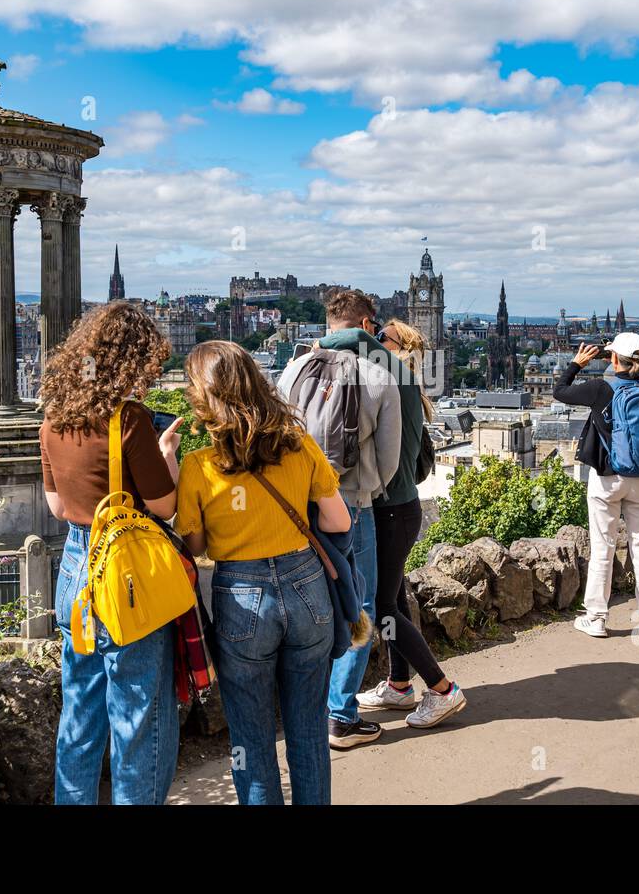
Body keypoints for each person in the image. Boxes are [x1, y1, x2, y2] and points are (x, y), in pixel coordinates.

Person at [174, 340, 351, 804]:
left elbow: (193, 547)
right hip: (307, 587)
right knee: (309, 730)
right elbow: (339, 522)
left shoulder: (198, 466)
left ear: (203, 399)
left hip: (241, 596)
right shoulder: (299, 445)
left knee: (251, 741)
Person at [39, 301, 183, 805]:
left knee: (79, 714)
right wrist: (167, 460)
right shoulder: (130, 419)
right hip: (127, 574)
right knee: (137, 718)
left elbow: (58, 507)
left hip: (77, 568)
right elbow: (165, 508)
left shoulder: (54, 418)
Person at [276, 289, 401, 749]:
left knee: (305, 602)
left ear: (329, 323)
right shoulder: (378, 375)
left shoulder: (290, 370)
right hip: (350, 504)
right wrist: (360, 491)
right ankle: (341, 716)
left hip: (293, 506)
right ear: (368, 326)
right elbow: (388, 461)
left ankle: (302, 709)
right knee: (359, 604)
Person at [353, 317, 467, 729]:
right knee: (396, 597)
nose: (375, 341)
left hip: (394, 511)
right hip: (397, 509)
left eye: (383, 338)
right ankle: (400, 685)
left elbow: (362, 344)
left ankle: (442, 689)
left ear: (397, 349)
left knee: (383, 607)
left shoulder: (398, 382)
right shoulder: (404, 386)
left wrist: (353, 334)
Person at [553, 334, 639, 639]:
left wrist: (576, 364)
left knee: (603, 547)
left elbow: (560, 392)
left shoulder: (600, 388)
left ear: (613, 358)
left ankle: (596, 617)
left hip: (607, 477)